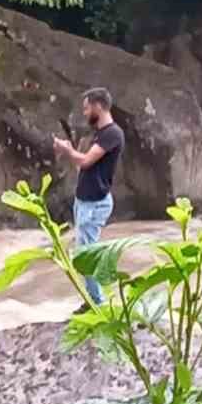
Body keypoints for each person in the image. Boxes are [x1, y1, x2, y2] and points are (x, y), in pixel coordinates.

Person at [53, 86, 125, 309]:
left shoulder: (112, 133)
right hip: (85, 201)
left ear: (98, 106)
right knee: (84, 253)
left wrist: (67, 151)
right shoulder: (101, 134)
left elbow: (85, 162)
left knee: (86, 255)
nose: (84, 113)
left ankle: (97, 302)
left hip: (94, 203)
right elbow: (85, 168)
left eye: (86, 108)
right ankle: (96, 299)